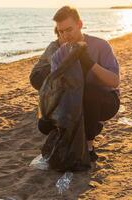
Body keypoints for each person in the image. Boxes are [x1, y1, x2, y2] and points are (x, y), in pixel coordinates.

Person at [29, 6, 120, 163]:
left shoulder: (100, 45)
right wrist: (56, 67)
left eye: (69, 29)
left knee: (88, 91)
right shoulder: (56, 48)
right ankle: (75, 132)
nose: (65, 35)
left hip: (104, 101)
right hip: (71, 102)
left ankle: (89, 146)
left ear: (80, 24)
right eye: (61, 31)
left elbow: (114, 82)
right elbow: (35, 78)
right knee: (44, 126)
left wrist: (89, 63)